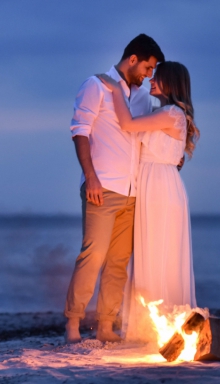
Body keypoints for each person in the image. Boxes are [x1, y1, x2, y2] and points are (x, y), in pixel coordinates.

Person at [64, 34, 165, 343]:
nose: (150, 76)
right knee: (93, 255)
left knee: (119, 261)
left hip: (132, 192)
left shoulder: (144, 100)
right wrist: (90, 175)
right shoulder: (96, 85)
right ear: (132, 59)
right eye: (148, 68)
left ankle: (106, 326)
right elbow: (79, 131)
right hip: (102, 186)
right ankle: (72, 324)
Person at [97, 61, 199, 341]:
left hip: (160, 188)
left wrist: (117, 91)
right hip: (153, 184)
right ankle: (156, 327)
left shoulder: (171, 113)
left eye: (159, 77)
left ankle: (165, 326)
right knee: (152, 253)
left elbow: (127, 124)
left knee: (160, 252)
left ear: (172, 83)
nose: (152, 79)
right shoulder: (163, 113)